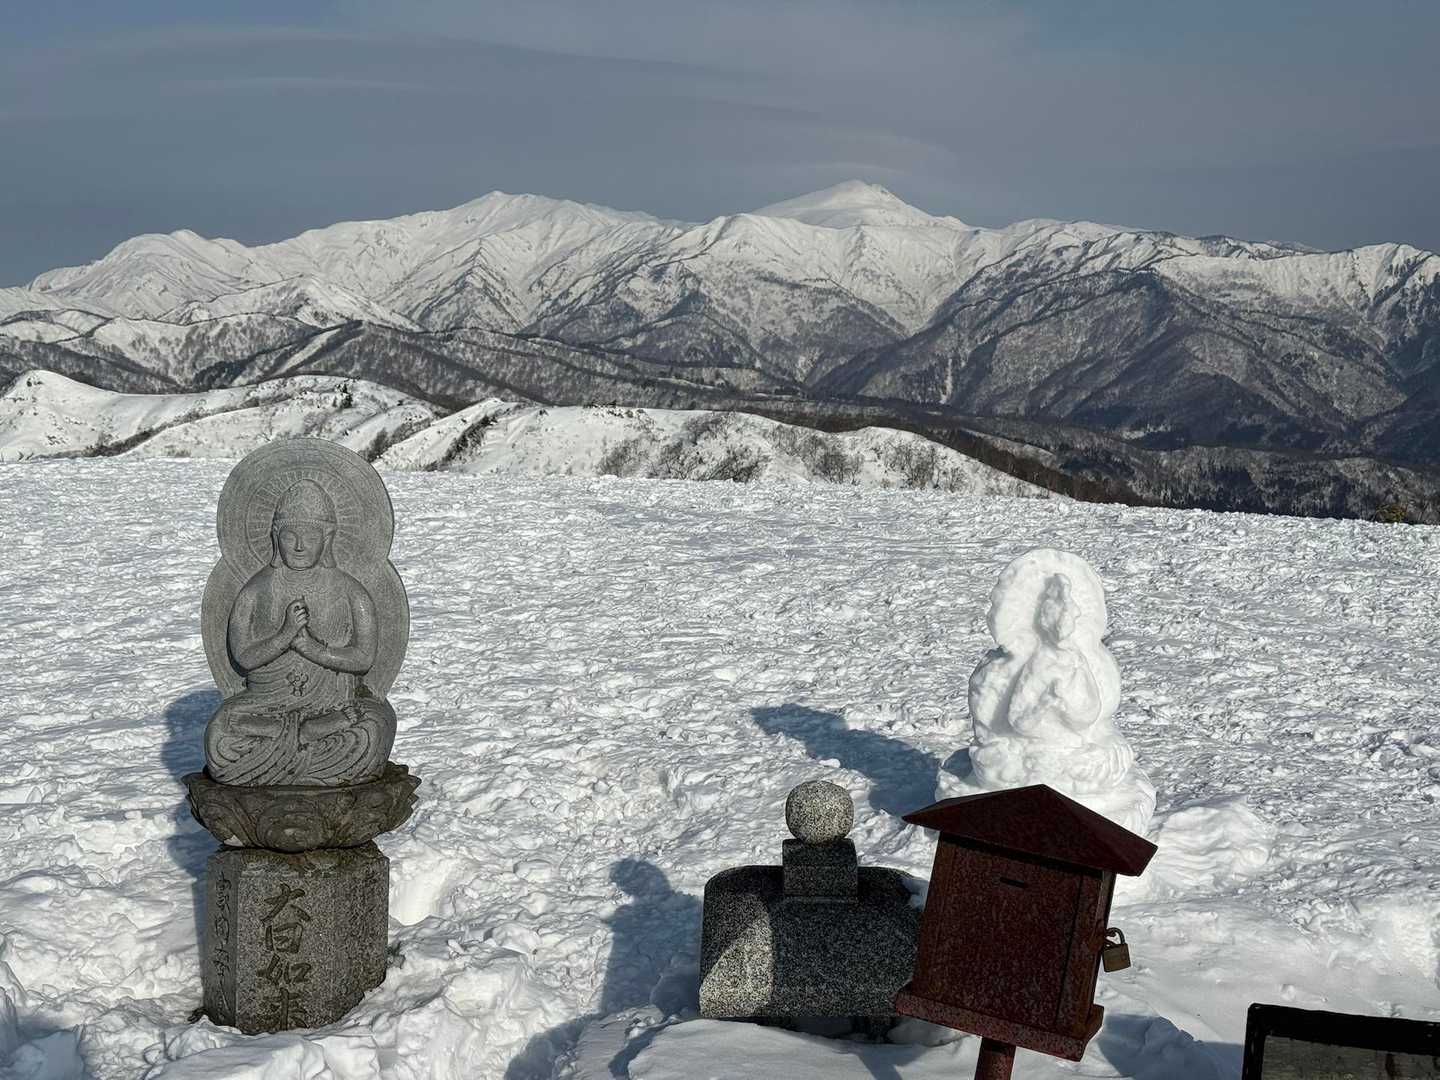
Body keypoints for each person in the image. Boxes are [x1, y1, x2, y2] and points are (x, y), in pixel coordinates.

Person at [204, 478, 396, 786]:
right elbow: (244, 657)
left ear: (327, 537)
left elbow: (363, 659)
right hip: (266, 702)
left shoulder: (352, 593)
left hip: (331, 703)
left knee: (374, 728)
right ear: (275, 536)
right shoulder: (255, 591)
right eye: (289, 535)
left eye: (310, 535)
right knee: (219, 733)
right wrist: (285, 634)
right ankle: (303, 733)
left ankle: (285, 736)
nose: (299, 545)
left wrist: (311, 648)